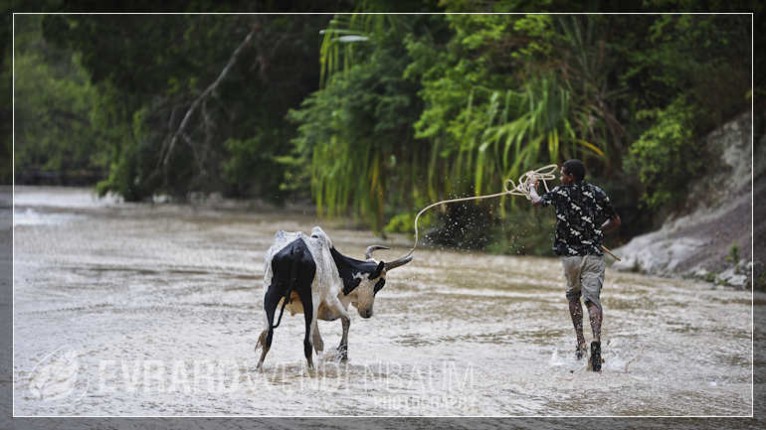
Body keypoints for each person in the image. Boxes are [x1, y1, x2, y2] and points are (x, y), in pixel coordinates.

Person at [528, 159, 621, 372]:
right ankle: (596, 338)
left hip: (571, 257)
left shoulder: (561, 192)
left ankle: (581, 343)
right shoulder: (598, 192)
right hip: (594, 255)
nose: (560, 178)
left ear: (570, 176)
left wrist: (533, 185)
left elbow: (536, 201)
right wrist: (598, 232)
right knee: (593, 299)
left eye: (562, 174)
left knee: (573, 297)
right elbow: (615, 221)